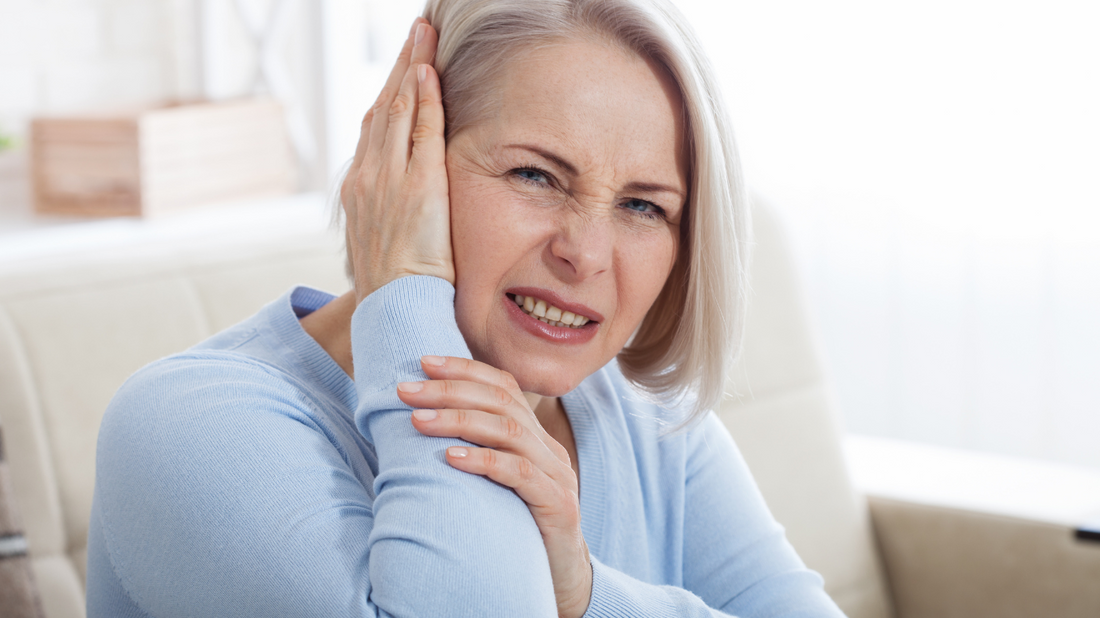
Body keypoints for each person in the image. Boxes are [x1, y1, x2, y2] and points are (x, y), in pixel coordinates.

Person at [87, 0, 846, 616]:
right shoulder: (185, 426)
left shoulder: (649, 425)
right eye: (536, 176)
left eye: (644, 207)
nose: (585, 253)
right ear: (406, 161)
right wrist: (406, 292)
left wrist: (586, 594)